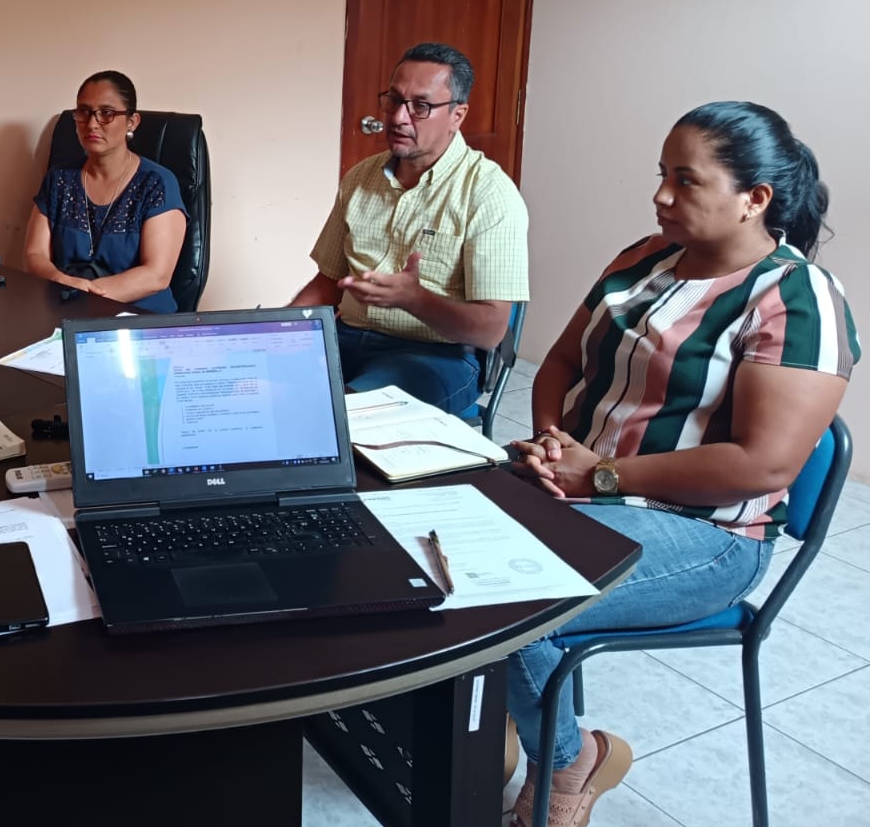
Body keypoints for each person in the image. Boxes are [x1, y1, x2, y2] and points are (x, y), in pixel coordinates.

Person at [505, 102, 857, 827]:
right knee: (430, 541)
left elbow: (763, 466)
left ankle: (568, 758)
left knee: (510, 603)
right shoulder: (643, 258)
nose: (661, 196)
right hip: (582, 489)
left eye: (686, 181)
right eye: (662, 175)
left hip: (706, 532)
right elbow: (562, 360)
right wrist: (551, 440)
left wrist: (600, 476)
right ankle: (497, 723)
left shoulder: (798, 302)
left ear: (754, 198)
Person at [291, 42, 529, 411]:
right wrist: (271, 332)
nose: (399, 117)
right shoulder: (361, 177)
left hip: (437, 356)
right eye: (394, 100)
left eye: (421, 106)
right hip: (346, 337)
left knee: (338, 417)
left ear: (457, 115)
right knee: (257, 391)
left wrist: (415, 300)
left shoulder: (489, 193)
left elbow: (490, 330)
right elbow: (327, 282)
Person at [23, 69, 187, 313]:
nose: (91, 123)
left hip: (136, 316)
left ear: (132, 122)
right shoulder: (59, 179)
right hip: (66, 308)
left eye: (106, 113)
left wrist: (83, 297)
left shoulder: (157, 183)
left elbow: (156, 275)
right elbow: (35, 254)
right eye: (84, 112)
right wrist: (62, 284)